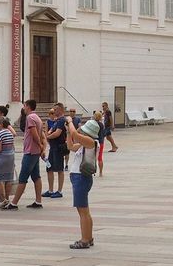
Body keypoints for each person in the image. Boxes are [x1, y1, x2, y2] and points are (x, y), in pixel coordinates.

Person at [5, 99, 45, 210]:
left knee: (23, 177)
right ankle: (38, 201)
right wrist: (41, 146)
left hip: (30, 151)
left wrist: (40, 145)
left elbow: (34, 133)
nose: (23, 108)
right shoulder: (37, 117)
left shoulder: (30, 118)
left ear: (28, 106)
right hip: (35, 151)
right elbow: (41, 133)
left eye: (24, 106)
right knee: (36, 176)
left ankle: (14, 203)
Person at [67, 117, 100, 249]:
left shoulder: (90, 141)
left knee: (83, 211)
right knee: (84, 211)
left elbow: (76, 134)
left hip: (81, 178)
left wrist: (70, 122)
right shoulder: (86, 143)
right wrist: (68, 132)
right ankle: (89, 237)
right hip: (79, 177)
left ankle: (85, 239)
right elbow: (71, 146)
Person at [0, 116, 15, 208]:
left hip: (2, 157)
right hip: (10, 156)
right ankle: (7, 198)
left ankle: (2, 199)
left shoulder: (0, 134)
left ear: (1, 124)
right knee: (8, 178)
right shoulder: (9, 132)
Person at [44, 107, 65, 198]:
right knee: (49, 168)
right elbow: (50, 131)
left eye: (55, 110)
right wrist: (48, 134)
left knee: (60, 169)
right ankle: (50, 190)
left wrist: (48, 137)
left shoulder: (61, 121)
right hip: (52, 148)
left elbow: (57, 133)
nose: (54, 112)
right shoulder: (56, 121)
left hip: (58, 148)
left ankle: (59, 191)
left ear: (60, 110)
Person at [93, 111, 105, 176]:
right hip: (101, 142)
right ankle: (100, 172)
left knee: (91, 157)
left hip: (94, 141)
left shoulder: (93, 123)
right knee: (100, 157)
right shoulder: (101, 124)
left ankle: (92, 171)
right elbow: (103, 133)